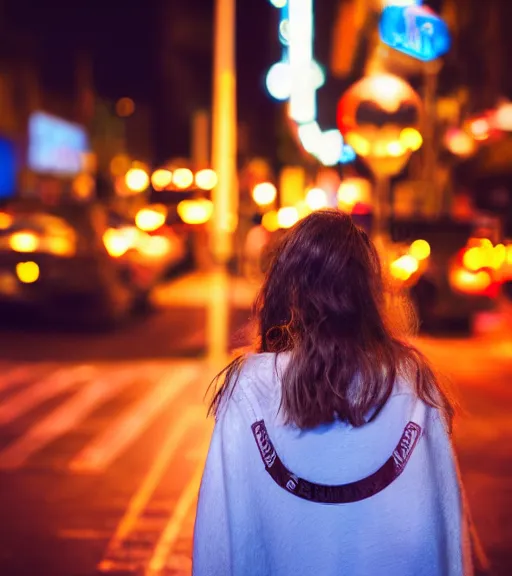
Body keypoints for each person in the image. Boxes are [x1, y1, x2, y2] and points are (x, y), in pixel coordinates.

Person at [193, 210, 481, 576]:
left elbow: (218, 532)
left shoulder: (248, 384)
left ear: (283, 287)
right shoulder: (412, 381)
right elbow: (444, 530)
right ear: (368, 293)